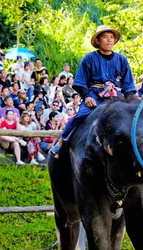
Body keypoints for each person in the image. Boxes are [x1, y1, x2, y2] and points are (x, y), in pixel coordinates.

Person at [53, 26, 136, 157]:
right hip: (94, 97)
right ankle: (61, 142)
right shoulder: (89, 58)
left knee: (134, 118)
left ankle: (138, 150)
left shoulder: (122, 60)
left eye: (111, 37)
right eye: (105, 37)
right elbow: (80, 81)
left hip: (117, 98)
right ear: (97, 41)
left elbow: (129, 86)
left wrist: (132, 102)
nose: (109, 40)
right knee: (80, 115)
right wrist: (86, 97)